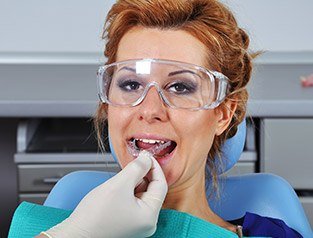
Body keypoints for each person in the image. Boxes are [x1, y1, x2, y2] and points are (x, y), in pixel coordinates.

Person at [8, 0, 303, 237]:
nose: (149, 110)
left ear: (223, 113)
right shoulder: (58, 229)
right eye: (131, 85)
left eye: (180, 87)